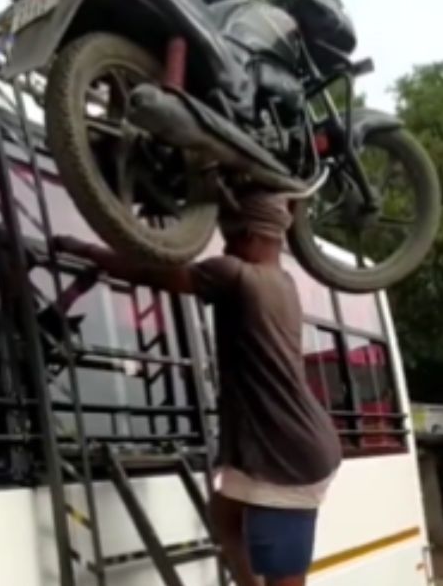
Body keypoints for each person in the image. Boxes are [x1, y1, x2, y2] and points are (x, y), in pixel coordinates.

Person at [53, 192, 342, 586]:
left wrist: (82, 247)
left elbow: (147, 272)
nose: (224, 244)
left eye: (232, 235)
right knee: (223, 515)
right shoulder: (284, 282)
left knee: (284, 577)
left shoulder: (236, 275)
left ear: (255, 235)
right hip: (294, 439)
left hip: (286, 453)